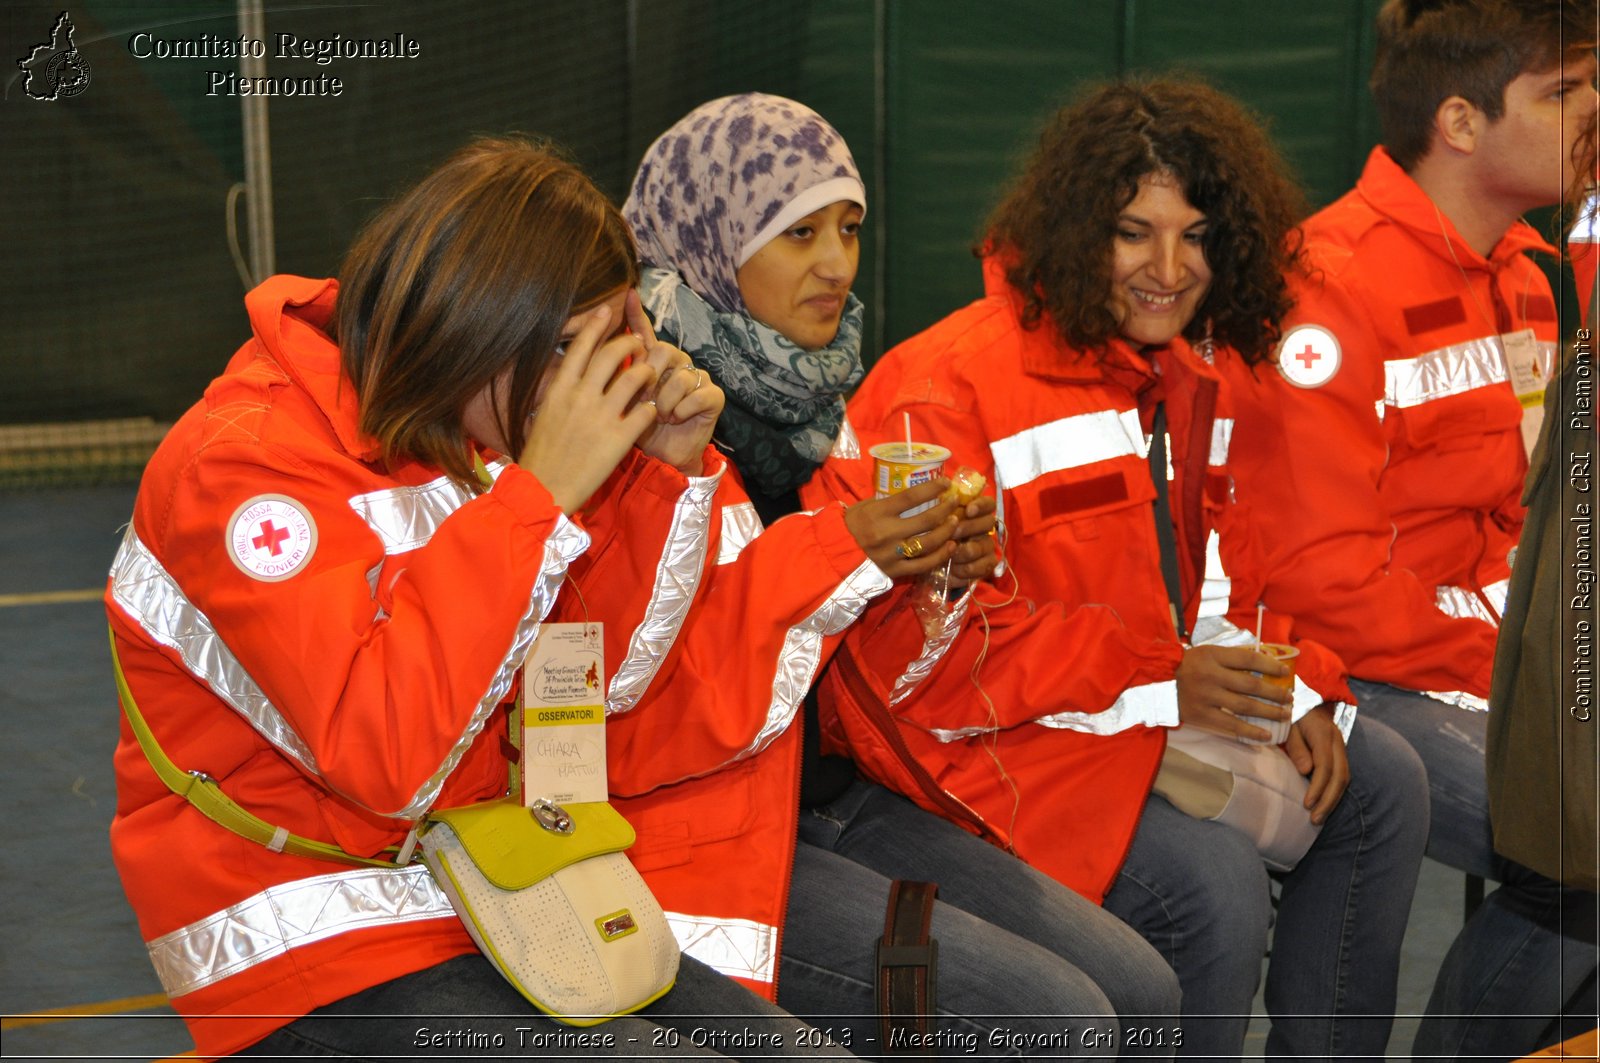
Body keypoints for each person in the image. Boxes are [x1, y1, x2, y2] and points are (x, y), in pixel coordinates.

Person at [105, 136, 864, 1059]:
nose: (599, 382)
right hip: (306, 924)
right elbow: (386, 760)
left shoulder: (477, 421)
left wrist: (660, 475)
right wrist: (536, 501)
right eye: (566, 349)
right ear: (475, 328)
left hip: (492, 878)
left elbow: (583, 700)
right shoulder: (241, 464)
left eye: (615, 335)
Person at [802, 79, 1431, 1060]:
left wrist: (1292, 682)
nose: (1168, 268)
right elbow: (914, 674)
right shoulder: (946, 390)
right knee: (1211, 884)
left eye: (1194, 237)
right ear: (1075, 229)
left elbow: (1218, 593)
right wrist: (1160, 683)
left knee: (1384, 779)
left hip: (1123, 713)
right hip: (983, 756)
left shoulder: (1186, 370)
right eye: (1135, 232)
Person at [619, 92, 1182, 1054]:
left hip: (834, 783)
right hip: (694, 821)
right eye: (797, 234)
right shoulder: (641, 409)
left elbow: (868, 681)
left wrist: (944, 578)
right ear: (710, 240)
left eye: (849, 228)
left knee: (1143, 985)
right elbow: (651, 686)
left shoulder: (825, 391)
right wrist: (855, 557)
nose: (837, 264)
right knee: (1065, 1017)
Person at [1212, 1, 1600, 1056]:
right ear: (1461, 123)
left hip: (1474, 654)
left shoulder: (1526, 276)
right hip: (1354, 669)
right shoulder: (1325, 287)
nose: (1595, 113)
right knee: (1587, 825)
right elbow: (1317, 578)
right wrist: (1520, 668)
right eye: (1564, 94)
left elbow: (1532, 524)